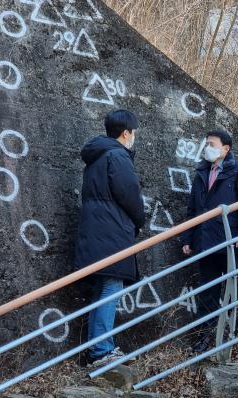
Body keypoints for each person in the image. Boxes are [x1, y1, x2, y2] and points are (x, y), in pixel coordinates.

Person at [74, 109, 145, 367]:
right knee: (111, 288)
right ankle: (102, 350)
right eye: (133, 133)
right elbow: (129, 193)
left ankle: (97, 348)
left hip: (95, 232)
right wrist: (140, 220)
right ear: (125, 133)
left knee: (102, 290)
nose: (134, 137)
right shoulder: (117, 156)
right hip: (112, 232)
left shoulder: (95, 157)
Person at [181, 129, 238, 353]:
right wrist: (188, 238)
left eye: (212, 144)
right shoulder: (201, 173)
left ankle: (231, 340)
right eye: (206, 143)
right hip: (205, 243)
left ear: (226, 149)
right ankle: (204, 340)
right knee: (207, 293)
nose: (208, 147)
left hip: (231, 244)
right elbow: (194, 209)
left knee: (233, 292)